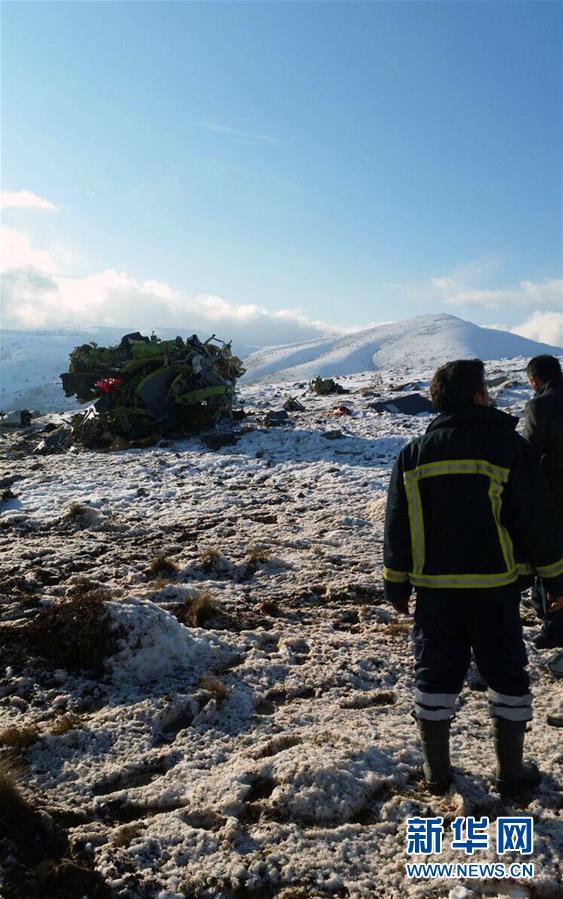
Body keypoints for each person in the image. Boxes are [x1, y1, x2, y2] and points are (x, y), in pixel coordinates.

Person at [383, 359, 563, 796]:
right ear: (480, 396)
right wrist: (555, 578)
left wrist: (396, 584)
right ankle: (510, 774)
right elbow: (535, 518)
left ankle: (437, 774)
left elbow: (397, 525)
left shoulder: (412, 454)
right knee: (506, 676)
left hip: (434, 594)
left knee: (435, 676)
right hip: (494, 591)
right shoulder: (508, 448)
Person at [522, 354, 563, 648]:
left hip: (554, 496)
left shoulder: (540, 405)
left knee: (552, 560)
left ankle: (555, 625)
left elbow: (529, 454)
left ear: (535, 380)